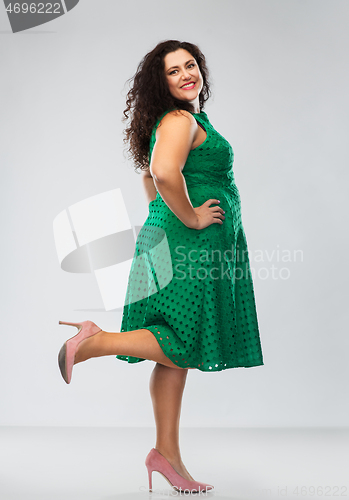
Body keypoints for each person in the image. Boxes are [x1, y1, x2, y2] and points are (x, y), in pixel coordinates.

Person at [58, 39, 264, 494]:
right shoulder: (179, 119)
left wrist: (161, 219)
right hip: (188, 243)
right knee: (181, 340)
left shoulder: (187, 120)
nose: (187, 74)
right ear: (162, 82)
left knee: (177, 352)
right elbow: (163, 170)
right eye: (174, 71)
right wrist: (187, 219)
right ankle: (96, 341)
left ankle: (165, 455)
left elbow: (150, 178)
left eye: (191, 65)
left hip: (178, 241)